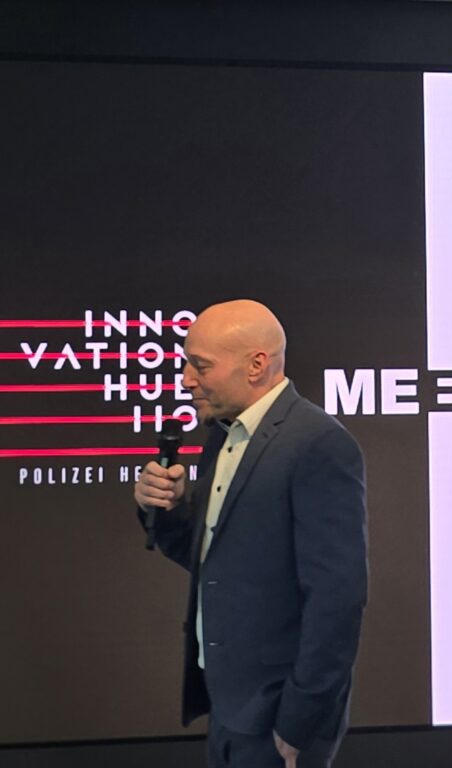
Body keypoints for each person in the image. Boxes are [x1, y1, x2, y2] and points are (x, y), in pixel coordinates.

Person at [134, 299, 367, 768]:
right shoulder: (223, 435)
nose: (186, 380)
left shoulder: (318, 444)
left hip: (280, 717)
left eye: (200, 365)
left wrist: (298, 722)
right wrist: (166, 510)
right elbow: (214, 562)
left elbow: (337, 599)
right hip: (228, 705)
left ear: (257, 365)